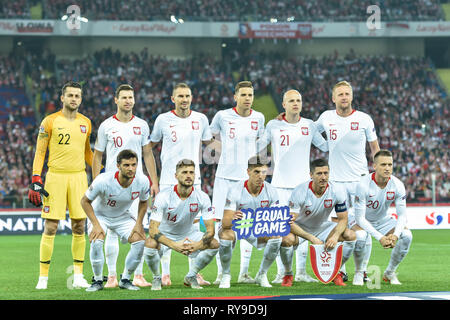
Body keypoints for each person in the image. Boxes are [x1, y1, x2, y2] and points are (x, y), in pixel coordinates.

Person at [257, 89, 328, 285]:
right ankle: (282, 272)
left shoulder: (310, 126)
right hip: (279, 186)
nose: (295, 103)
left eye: (298, 100)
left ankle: (301, 272)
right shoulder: (273, 125)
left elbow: (325, 146)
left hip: (303, 187)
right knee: (281, 230)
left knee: (305, 228)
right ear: (284, 104)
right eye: (291, 100)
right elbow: (259, 146)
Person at [92, 84, 159, 288]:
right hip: (112, 186)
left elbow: (148, 153)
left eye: (131, 97)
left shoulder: (142, 125)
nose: (128, 101)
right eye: (124, 97)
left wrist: (154, 181)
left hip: (136, 187)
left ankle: (136, 275)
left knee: (138, 230)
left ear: (134, 100)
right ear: (116, 100)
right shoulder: (106, 126)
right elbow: (97, 156)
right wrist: (96, 182)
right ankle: (111, 276)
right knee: (110, 230)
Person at [315, 80, 380, 282]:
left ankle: (361, 271)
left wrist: (376, 176)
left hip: (360, 181)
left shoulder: (364, 119)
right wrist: (324, 146)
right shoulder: (326, 117)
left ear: (352, 97)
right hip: (335, 183)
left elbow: (375, 149)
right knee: (339, 228)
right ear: (333, 98)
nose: (344, 97)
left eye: (347, 94)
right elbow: (311, 131)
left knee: (362, 226)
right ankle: (340, 269)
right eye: (340, 94)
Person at [30, 81, 92, 290]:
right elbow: (40, 152)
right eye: (71, 95)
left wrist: (102, 170)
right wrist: (36, 177)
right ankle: (43, 277)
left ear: (81, 99)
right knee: (51, 227)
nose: (74, 99)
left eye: (78, 96)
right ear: (62, 98)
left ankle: (78, 275)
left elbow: (87, 153)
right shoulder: (49, 121)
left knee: (79, 226)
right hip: (55, 177)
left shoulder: (86, 123)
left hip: (79, 177)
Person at [149, 83, 213, 286]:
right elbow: (150, 146)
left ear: (191, 98)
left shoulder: (201, 119)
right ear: (172, 98)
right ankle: (165, 274)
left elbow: (209, 144)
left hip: (193, 179)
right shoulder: (163, 119)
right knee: (166, 225)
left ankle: (193, 273)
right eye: (180, 96)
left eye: (187, 96)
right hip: (168, 179)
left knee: (193, 224)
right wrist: (154, 180)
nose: (184, 99)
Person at [209, 81, 265, 285]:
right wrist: (223, 151)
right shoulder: (222, 116)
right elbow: (207, 137)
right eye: (243, 95)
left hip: (246, 180)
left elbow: (260, 144)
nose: (248, 98)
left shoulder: (259, 118)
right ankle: (220, 274)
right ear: (235, 96)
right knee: (222, 225)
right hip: (224, 178)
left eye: (250, 94)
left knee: (247, 224)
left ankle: (243, 273)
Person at [143, 159, 219, 290]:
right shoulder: (163, 196)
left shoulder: (203, 197)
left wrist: (198, 245)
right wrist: (174, 245)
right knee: (150, 243)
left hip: (188, 234)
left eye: (191, 172)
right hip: (166, 235)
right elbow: (153, 230)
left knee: (214, 244)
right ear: (176, 176)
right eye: (184, 172)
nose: (188, 175)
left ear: (195, 176)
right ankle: (156, 277)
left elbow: (210, 231)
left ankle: (191, 276)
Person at [82, 149, 149, 292]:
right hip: (100, 216)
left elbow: (144, 202)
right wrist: (95, 224)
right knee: (97, 240)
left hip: (122, 216)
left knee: (140, 241)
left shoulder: (142, 181)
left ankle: (125, 279)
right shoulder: (103, 180)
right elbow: (84, 201)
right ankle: (98, 280)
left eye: (133, 164)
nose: (131, 168)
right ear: (118, 166)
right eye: (126, 165)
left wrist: (139, 224)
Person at [283, 158, 356, 286]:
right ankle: (288, 274)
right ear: (311, 175)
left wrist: (334, 236)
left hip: (322, 227)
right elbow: (289, 222)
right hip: (301, 227)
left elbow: (343, 219)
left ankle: (336, 272)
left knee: (350, 235)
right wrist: (311, 237)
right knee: (286, 240)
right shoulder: (300, 191)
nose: (323, 177)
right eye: (319, 173)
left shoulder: (337, 190)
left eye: (326, 173)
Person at [218, 156, 282, 289]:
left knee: (277, 236)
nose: (260, 176)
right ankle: (226, 275)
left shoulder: (271, 191)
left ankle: (262, 274)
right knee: (226, 235)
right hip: (238, 225)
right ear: (248, 172)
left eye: (264, 172)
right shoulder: (235, 189)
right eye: (256, 172)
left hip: (256, 226)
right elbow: (225, 223)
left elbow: (274, 221)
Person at [353, 150, 412, 285]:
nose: (387, 168)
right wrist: (380, 237)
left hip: (382, 220)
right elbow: (360, 218)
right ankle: (359, 272)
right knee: (361, 237)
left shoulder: (397, 185)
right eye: (383, 164)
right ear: (374, 166)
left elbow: (402, 215)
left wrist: (395, 235)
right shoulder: (363, 184)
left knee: (407, 235)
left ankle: (390, 272)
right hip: (361, 219)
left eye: (390, 165)